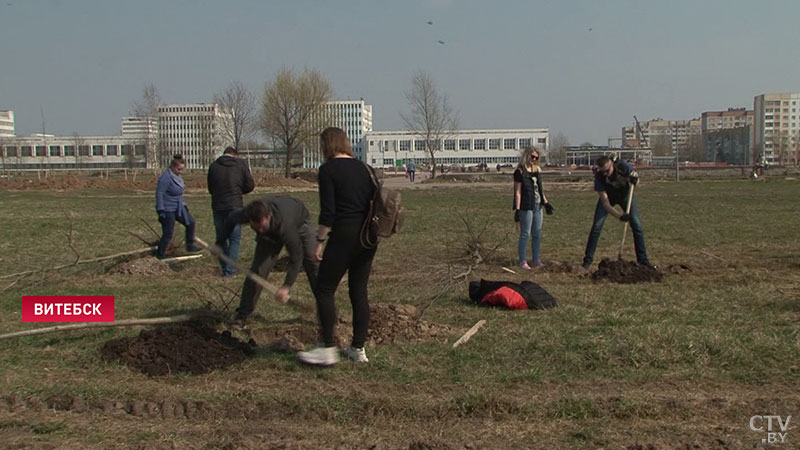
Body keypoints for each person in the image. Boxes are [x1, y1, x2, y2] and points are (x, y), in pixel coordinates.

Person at [298, 127, 377, 366]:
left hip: (344, 234)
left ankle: (327, 348)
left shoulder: (327, 170)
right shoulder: (366, 168)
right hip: (369, 236)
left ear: (326, 145)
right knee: (358, 290)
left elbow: (328, 212)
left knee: (324, 289)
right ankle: (358, 348)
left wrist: (319, 242)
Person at [219, 197, 319, 324]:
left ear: (269, 216)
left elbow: (296, 256)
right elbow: (230, 220)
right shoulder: (248, 214)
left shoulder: (286, 226)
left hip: (300, 223)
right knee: (258, 271)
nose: (260, 230)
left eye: (262, 226)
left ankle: (326, 311)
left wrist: (286, 286)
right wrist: (219, 242)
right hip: (272, 233)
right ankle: (243, 314)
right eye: (256, 228)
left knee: (311, 262)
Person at [581, 155, 652, 270]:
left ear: (611, 164)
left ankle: (643, 261)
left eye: (607, 171)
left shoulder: (623, 166)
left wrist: (635, 180)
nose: (606, 174)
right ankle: (587, 262)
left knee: (637, 226)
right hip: (609, 197)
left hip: (625, 196)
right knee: (596, 227)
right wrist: (619, 216)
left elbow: (636, 178)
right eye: (603, 172)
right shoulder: (599, 176)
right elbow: (605, 203)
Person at [207, 146, 255, 277]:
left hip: (218, 206)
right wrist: (239, 191)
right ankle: (230, 271)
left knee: (221, 238)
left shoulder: (214, 166)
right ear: (235, 155)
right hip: (235, 205)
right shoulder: (240, 165)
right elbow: (250, 185)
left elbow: (210, 188)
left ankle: (225, 268)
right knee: (234, 239)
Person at [513, 146, 553, 269]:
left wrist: (546, 203)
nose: (534, 159)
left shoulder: (537, 170)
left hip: (538, 205)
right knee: (525, 233)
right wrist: (518, 209)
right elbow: (518, 192)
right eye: (532, 156)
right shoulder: (519, 172)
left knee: (537, 233)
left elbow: (540, 189)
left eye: (536, 157)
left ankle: (536, 260)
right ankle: (523, 261)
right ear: (526, 156)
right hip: (526, 205)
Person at [155, 154, 202, 259]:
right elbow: (159, 194)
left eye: (182, 169)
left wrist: (184, 206)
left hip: (178, 206)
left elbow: (179, 194)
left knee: (191, 222)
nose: (180, 172)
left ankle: (190, 245)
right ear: (172, 167)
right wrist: (160, 210)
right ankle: (159, 255)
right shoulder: (165, 177)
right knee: (168, 234)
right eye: (179, 169)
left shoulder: (177, 177)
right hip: (167, 209)